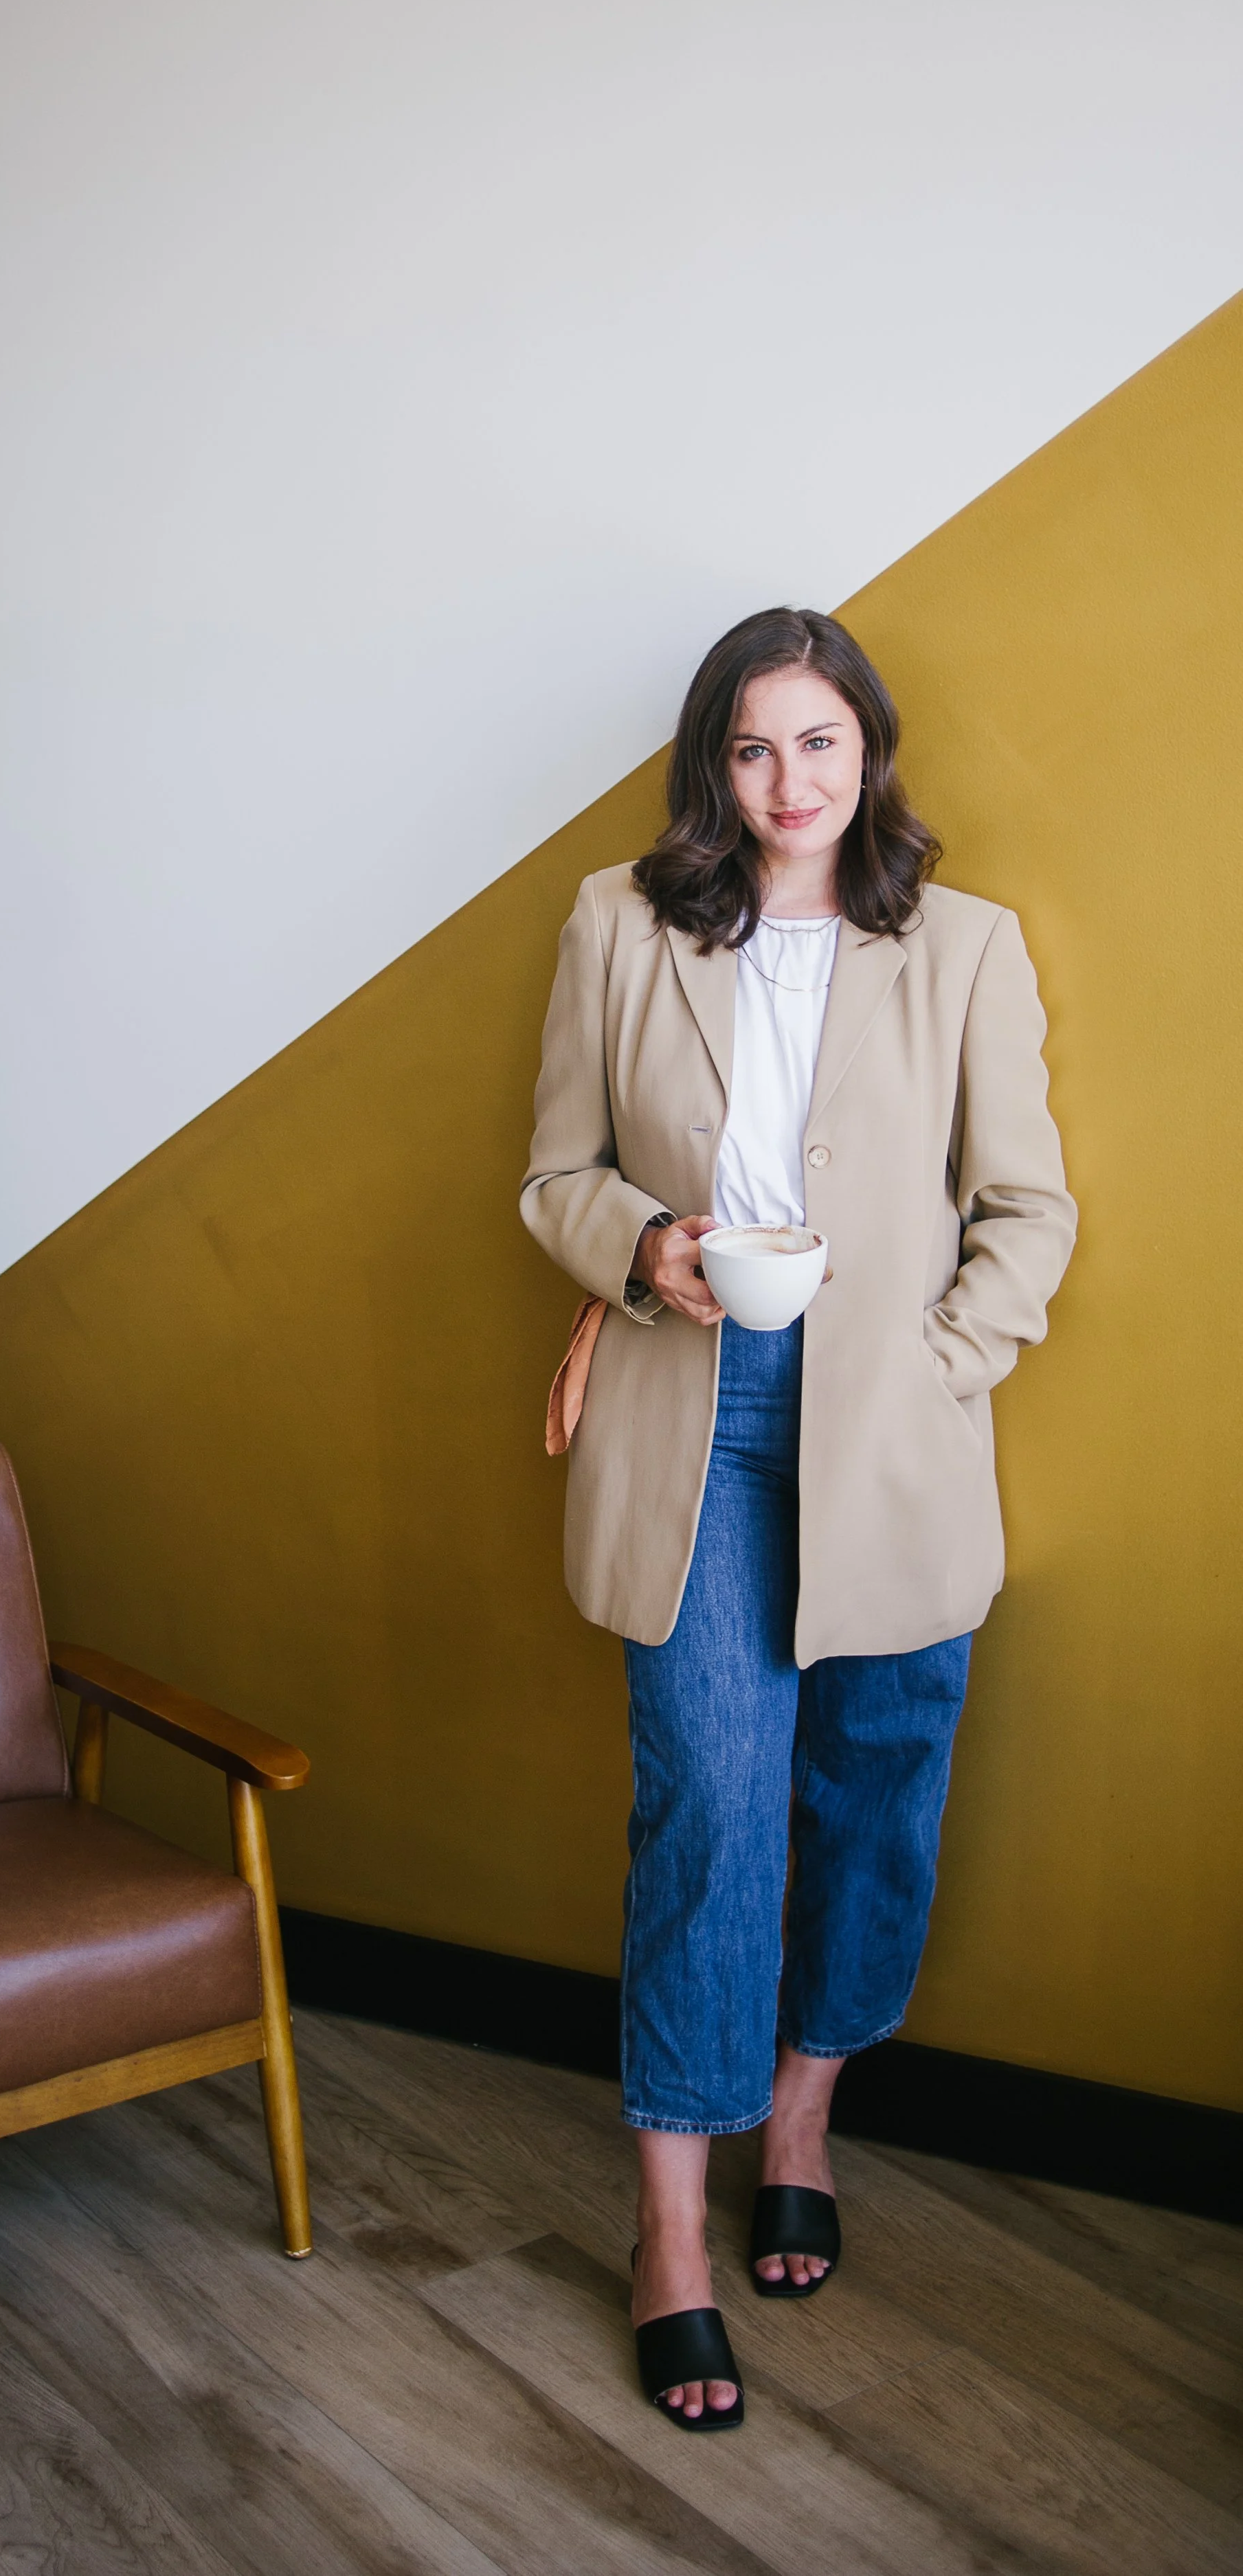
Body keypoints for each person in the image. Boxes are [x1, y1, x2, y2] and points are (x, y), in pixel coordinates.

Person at [520, 607, 1075, 2431]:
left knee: (868, 1803)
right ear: (714, 761)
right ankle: (666, 2233)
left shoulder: (961, 946)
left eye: (816, 745)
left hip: (892, 1435)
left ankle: (805, 2123)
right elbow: (554, 1174)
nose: (784, 783)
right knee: (704, 1811)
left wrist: (938, 1360)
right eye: (751, 748)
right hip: (695, 1418)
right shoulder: (618, 922)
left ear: (868, 754)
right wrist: (641, 1248)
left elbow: (1025, 1207)